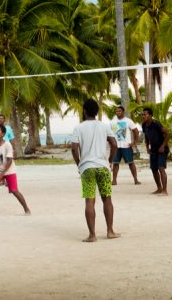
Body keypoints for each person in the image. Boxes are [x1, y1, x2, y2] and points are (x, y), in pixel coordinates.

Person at [71, 98, 120, 243]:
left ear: (84, 111)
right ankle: (110, 231)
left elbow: (74, 148)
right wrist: (110, 160)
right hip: (103, 167)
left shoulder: (78, 128)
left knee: (89, 202)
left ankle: (92, 235)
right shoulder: (104, 126)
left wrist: (79, 164)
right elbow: (114, 144)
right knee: (107, 199)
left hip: (87, 168)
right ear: (97, 112)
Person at [141, 107, 170, 196]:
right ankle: (159, 188)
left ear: (150, 115)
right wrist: (147, 147)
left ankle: (165, 191)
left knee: (161, 168)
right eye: (142, 114)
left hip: (162, 149)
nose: (143, 116)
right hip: (153, 149)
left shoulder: (156, 123)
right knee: (154, 169)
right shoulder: (144, 125)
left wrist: (163, 146)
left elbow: (168, 134)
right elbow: (146, 136)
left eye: (145, 114)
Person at [110, 106, 141, 186]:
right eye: (116, 111)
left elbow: (136, 131)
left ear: (123, 112)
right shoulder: (112, 122)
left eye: (119, 111)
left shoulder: (128, 121)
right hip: (116, 147)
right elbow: (109, 134)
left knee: (131, 163)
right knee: (115, 163)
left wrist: (134, 142)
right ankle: (114, 181)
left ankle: (136, 180)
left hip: (126, 146)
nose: (118, 113)